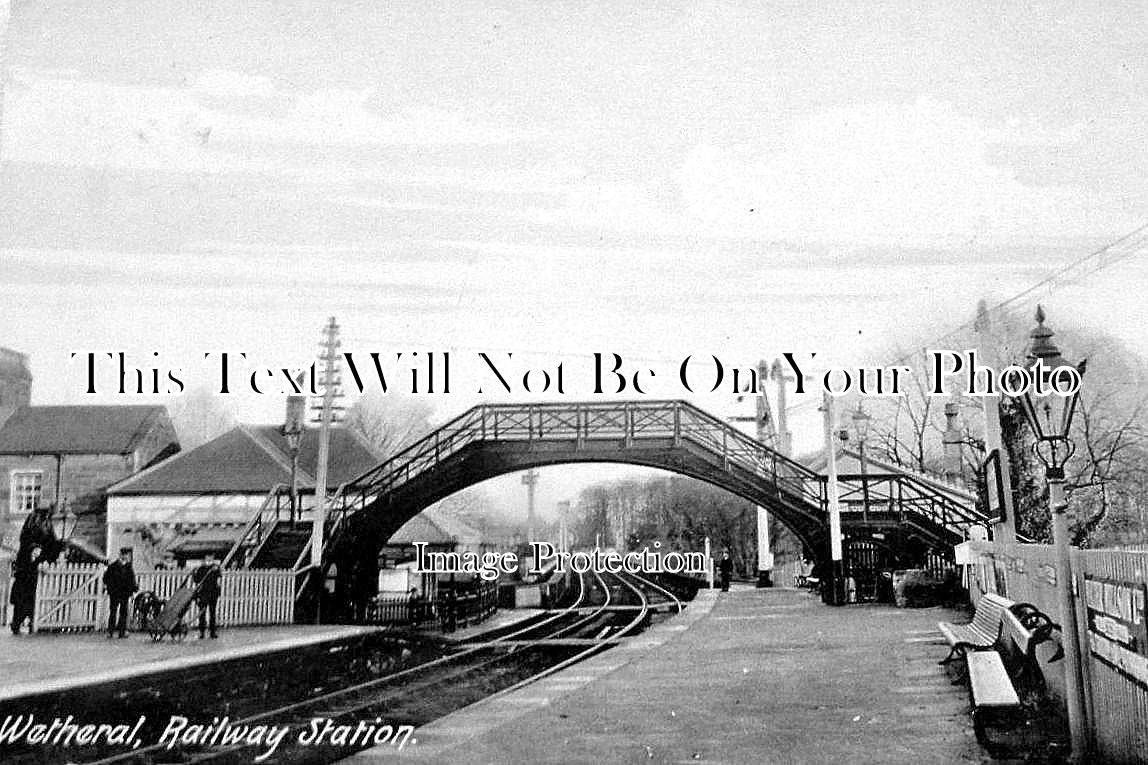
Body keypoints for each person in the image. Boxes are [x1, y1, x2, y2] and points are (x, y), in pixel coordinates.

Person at [103, 547, 138, 638]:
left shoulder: (129, 567)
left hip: (124, 593)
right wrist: (110, 588)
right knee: (113, 612)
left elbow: (132, 579)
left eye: (127, 555)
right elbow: (106, 578)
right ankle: (110, 631)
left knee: (123, 613)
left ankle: (121, 632)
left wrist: (133, 589)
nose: (125, 557)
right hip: (115, 593)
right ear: (120, 555)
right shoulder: (112, 566)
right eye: (124, 555)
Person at [192, 553, 222, 639]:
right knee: (202, 613)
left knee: (212, 613)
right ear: (205, 558)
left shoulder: (216, 568)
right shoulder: (201, 568)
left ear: (213, 558)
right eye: (208, 557)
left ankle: (212, 632)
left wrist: (218, 592)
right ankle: (202, 632)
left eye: (211, 557)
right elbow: (196, 580)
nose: (209, 558)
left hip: (213, 593)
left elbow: (219, 581)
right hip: (203, 593)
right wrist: (194, 573)